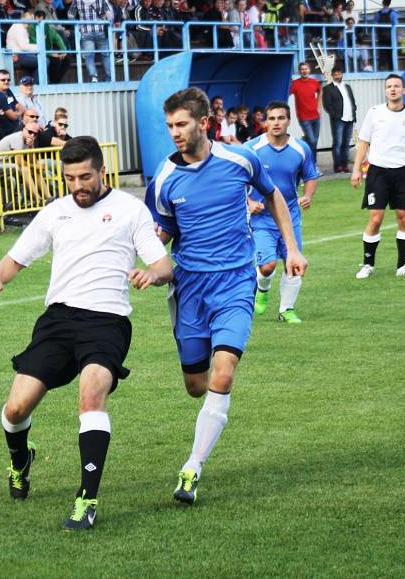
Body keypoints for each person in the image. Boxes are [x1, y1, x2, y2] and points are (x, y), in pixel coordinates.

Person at [0, 135, 172, 531]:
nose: (78, 186)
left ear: (102, 171)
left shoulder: (129, 210)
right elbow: (17, 256)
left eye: (85, 176)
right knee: (16, 408)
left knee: (91, 397)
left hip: (107, 322)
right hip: (58, 321)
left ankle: (87, 499)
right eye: (70, 178)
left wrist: (151, 274)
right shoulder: (56, 212)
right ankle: (21, 462)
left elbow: (163, 264)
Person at [145, 88, 307, 504]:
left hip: (236, 281)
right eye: (170, 126)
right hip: (191, 288)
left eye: (181, 124)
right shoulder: (163, 179)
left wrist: (291, 247)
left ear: (204, 123)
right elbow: (162, 230)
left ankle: (192, 468)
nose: (175, 133)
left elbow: (273, 195)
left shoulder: (240, 159)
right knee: (196, 385)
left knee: (223, 374)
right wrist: (149, 264)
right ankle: (201, 434)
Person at [351, 74, 405, 279]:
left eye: (396, 86)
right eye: (389, 86)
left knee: (404, 217)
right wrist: (356, 169)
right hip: (377, 172)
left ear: (404, 90)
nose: (393, 89)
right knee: (376, 218)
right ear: (385, 91)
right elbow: (363, 142)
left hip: (402, 172)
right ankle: (368, 264)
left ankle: (403, 265)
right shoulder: (374, 113)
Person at [245, 101, 320, 323]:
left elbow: (311, 176)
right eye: (272, 118)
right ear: (264, 122)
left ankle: (286, 309)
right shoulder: (251, 149)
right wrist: (249, 201)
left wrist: (307, 195)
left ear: (288, 121)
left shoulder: (301, 148)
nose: (276, 123)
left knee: (293, 263)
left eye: (281, 118)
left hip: (290, 217)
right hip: (261, 218)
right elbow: (236, 180)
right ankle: (262, 288)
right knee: (267, 266)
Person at [68, 0, 113, 83]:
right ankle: (109, 77)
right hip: (101, 30)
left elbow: (70, 15)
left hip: (85, 31)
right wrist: (108, 24)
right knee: (106, 54)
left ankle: (94, 77)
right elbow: (110, 14)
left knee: (89, 56)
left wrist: (78, 25)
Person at [322, 67, 357, 173]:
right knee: (338, 143)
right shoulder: (328, 88)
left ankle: (345, 165)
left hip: (350, 118)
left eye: (339, 74)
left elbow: (352, 101)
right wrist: (335, 115)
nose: (337, 76)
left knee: (346, 144)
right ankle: (338, 166)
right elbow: (327, 105)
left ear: (342, 74)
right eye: (335, 74)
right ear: (332, 76)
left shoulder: (347, 87)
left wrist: (354, 111)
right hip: (339, 119)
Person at [289, 62, 322, 158]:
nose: (304, 71)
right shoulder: (295, 84)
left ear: (309, 70)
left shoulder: (314, 82)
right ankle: (312, 163)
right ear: (299, 71)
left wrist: (318, 106)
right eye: (302, 69)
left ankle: (313, 164)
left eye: (306, 69)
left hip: (316, 116)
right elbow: (287, 93)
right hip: (304, 117)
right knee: (312, 141)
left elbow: (320, 91)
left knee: (314, 142)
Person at [0, 69, 25, 141]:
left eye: (8, 80)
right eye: (3, 80)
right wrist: (19, 113)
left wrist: (17, 112)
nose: (6, 82)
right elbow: (13, 116)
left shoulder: (7, 90)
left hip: (14, 130)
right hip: (5, 135)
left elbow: (19, 105)